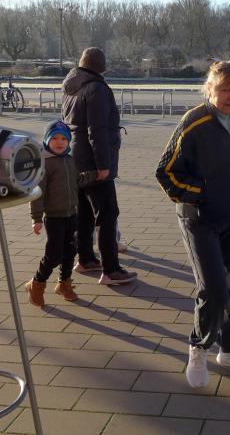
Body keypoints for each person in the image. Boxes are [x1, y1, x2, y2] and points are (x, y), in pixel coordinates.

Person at [156, 61, 230, 388]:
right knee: (215, 290)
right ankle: (199, 346)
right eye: (224, 90)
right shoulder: (194, 123)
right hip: (200, 219)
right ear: (210, 90)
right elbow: (166, 172)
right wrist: (203, 194)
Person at [62, 47, 137, 285]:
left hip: (75, 156)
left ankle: (85, 259)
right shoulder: (97, 88)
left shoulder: (72, 86)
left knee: (84, 211)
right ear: (101, 67)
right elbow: (97, 130)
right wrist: (103, 164)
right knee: (108, 213)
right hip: (94, 160)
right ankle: (111, 270)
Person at [25, 120, 82, 306]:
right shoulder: (45, 163)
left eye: (63, 139)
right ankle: (36, 284)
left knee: (70, 251)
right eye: (55, 138)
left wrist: (94, 176)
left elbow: (76, 181)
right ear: (47, 140)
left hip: (71, 214)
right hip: (54, 217)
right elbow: (37, 193)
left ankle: (64, 283)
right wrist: (36, 218)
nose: (59, 142)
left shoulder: (70, 160)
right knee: (53, 255)